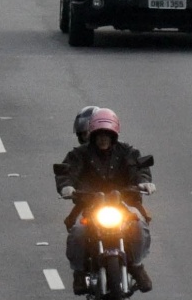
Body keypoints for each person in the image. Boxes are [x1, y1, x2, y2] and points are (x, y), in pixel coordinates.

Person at [54, 108, 154, 295]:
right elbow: (67, 172)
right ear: (92, 135)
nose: (103, 139)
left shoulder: (127, 152)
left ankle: (137, 265)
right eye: (99, 135)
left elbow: (139, 169)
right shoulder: (79, 154)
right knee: (78, 231)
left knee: (140, 225)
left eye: (107, 135)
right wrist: (66, 187)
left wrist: (144, 183)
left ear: (114, 135)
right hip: (90, 205)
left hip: (121, 203)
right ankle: (78, 272)